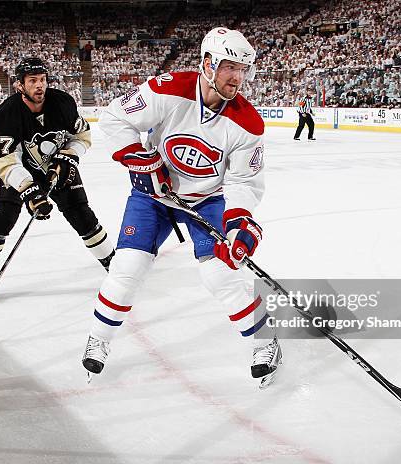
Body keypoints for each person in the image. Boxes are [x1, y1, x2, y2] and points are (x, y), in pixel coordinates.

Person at [82, 28, 281, 388]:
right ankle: (99, 337)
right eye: (229, 67)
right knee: (127, 267)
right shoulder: (168, 89)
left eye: (243, 70)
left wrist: (239, 225)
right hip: (154, 197)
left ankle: (266, 343)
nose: (237, 77)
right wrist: (140, 161)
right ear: (208, 63)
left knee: (220, 273)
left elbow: (243, 183)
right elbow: (114, 118)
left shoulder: (247, 122)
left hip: (207, 199)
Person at [0, 57, 115, 299]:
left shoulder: (62, 103)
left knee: (82, 215)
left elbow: (82, 135)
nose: (40, 86)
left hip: (59, 167)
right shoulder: (6, 114)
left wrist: (69, 157)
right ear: (20, 85)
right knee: (2, 217)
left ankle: (112, 262)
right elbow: (6, 162)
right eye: (33, 81)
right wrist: (29, 191)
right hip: (21, 172)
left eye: (43, 80)